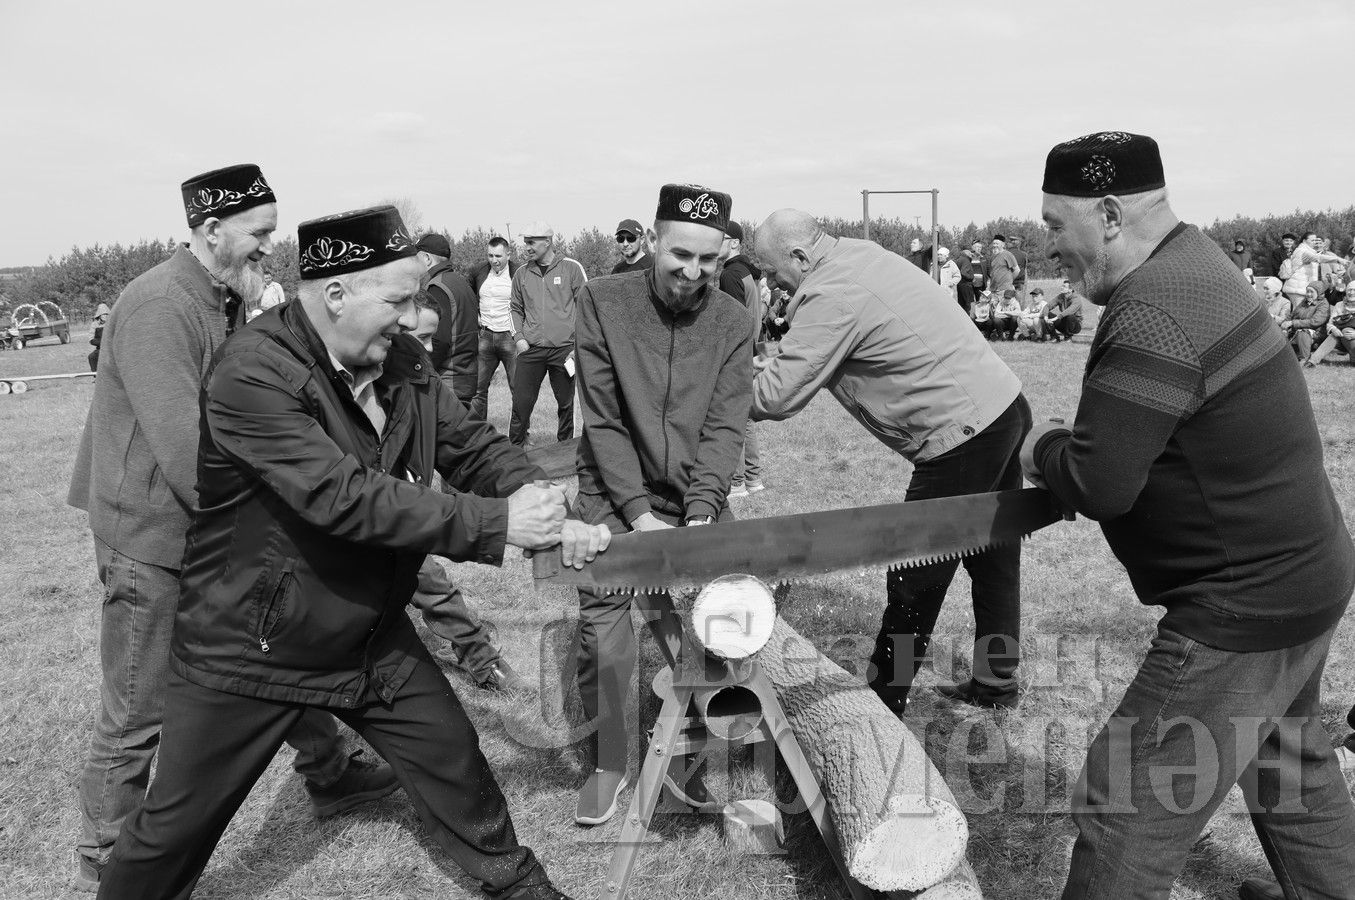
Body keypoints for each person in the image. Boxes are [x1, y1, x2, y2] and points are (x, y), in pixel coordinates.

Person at [94, 205, 607, 900]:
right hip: (251, 644)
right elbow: (343, 495)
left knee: (452, 759)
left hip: (367, 629)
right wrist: (496, 523)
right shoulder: (250, 374)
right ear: (336, 294)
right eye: (397, 298)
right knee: (173, 828)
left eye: (417, 296)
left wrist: (539, 498)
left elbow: (470, 446)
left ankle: (519, 887)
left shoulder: (400, 359)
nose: (413, 315)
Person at [1025, 131, 1355, 900]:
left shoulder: (1151, 310)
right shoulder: (1192, 261)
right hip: (1306, 579)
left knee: (1128, 804)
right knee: (1289, 768)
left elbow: (1100, 482)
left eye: (1052, 224)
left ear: (1106, 214)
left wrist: (1040, 448)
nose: (1049, 248)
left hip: (1244, 604)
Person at [66, 166, 393, 894]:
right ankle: (110, 859)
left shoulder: (220, 297)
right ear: (213, 231)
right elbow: (186, 450)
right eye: (261, 234)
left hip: (207, 528)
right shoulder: (158, 305)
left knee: (276, 654)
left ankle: (331, 775)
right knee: (138, 710)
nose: (270, 249)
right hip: (151, 540)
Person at [750, 208, 1030, 714]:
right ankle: (996, 682)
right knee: (993, 561)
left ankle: (884, 702)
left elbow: (776, 398)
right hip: (1000, 409)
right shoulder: (855, 256)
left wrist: (712, 390)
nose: (772, 283)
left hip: (963, 435)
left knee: (915, 576)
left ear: (799, 255)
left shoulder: (832, 292)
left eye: (772, 271)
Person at [570, 184, 751, 825]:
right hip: (610, 491)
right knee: (606, 626)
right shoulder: (599, 300)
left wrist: (701, 513)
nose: (693, 273)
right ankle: (610, 760)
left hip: (690, 492)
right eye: (680, 255)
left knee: (720, 617)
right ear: (652, 239)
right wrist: (639, 517)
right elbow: (604, 418)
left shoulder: (733, 318)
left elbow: (727, 425)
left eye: (709, 260)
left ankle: (691, 751)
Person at [407, 295, 529, 692]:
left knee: (427, 580)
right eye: (417, 335)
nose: (426, 349)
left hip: (401, 512)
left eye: (431, 338)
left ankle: (480, 659)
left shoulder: (418, 377)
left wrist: (529, 487)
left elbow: (468, 444)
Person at [509, 222, 587, 446]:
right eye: (525, 242)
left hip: (564, 351)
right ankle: (513, 452)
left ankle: (564, 450)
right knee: (520, 405)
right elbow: (514, 308)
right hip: (530, 349)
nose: (527, 247)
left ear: (548, 242)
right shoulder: (521, 274)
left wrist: (577, 347)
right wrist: (519, 338)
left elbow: (586, 308)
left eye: (531, 242)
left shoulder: (571, 268)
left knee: (565, 404)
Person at [719, 221, 767, 499]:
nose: (715, 245)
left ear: (734, 242)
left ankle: (736, 482)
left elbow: (732, 320)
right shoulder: (748, 272)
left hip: (736, 354)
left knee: (732, 417)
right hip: (750, 350)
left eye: (720, 239)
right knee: (745, 417)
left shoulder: (730, 275)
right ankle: (753, 478)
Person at [416, 233, 479, 405]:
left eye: (416, 259)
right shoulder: (460, 283)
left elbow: (438, 341)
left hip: (447, 382)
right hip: (465, 376)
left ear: (427, 258)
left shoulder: (437, 287)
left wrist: (419, 372)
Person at [467, 236, 520, 424]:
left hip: (509, 337)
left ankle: (522, 433)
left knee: (517, 388)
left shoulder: (518, 272)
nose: (494, 260)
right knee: (478, 388)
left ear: (508, 254)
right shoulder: (479, 272)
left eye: (498, 255)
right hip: (485, 336)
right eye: (490, 255)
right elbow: (468, 296)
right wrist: (476, 316)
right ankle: (478, 432)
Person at [1304, 282, 1355, 367]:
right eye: (1349, 290)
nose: (1351, 293)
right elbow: (1330, 323)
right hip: (1342, 338)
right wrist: (1333, 329)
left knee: (1347, 330)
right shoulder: (1339, 305)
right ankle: (1312, 361)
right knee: (1333, 335)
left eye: (1354, 290)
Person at [1282, 281, 1330, 362]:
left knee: (1303, 332)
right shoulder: (1304, 302)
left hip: (1317, 332)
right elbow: (1292, 315)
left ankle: (1304, 359)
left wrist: (1293, 323)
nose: (1308, 294)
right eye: (1307, 291)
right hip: (1297, 329)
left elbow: (1315, 322)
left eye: (1312, 292)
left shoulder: (1323, 304)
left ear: (1319, 293)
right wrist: (1285, 324)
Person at [88, 301, 110, 371]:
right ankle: (95, 376)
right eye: (104, 315)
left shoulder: (111, 323)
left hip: (111, 348)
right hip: (100, 349)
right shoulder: (94, 324)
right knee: (91, 357)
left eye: (107, 314)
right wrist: (102, 342)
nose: (105, 316)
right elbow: (91, 340)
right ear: (99, 315)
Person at [1007, 234, 1029, 300]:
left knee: (1008, 301)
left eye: (1008, 242)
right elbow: (1025, 267)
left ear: (1011, 243)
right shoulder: (1024, 254)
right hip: (1020, 281)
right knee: (1019, 301)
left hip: (1009, 281)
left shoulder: (1006, 254)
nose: (1007, 244)